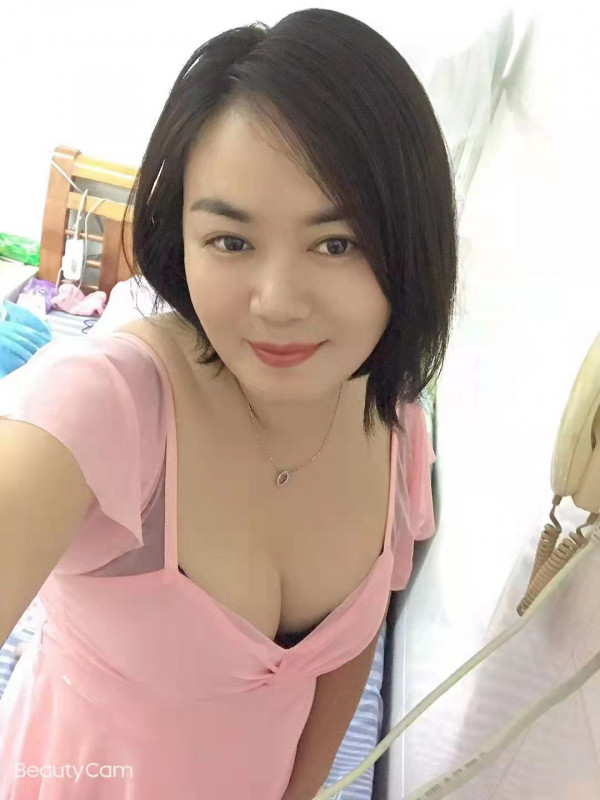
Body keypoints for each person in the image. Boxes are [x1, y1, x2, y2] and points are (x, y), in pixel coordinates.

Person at [0, 8, 456, 799]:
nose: (277, 303)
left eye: (336, 243)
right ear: (180, 239)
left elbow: (345, 656)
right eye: (231, 242)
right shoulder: (105, 405)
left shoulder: (397, 432)